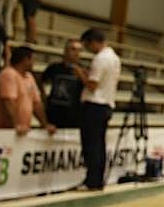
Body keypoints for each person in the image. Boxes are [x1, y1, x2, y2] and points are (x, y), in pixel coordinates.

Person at [78, 28, 120, 191]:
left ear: (93, 42)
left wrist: (80, 73)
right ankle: (96, 180)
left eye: (88, 45)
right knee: (99, 145)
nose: (88, 49)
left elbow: (92, 85)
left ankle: (92, 181)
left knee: (91, 145)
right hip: (106, 104)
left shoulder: (100, 59)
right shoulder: (114, 58)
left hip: (95, 105)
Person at [0, 45, 55, 136]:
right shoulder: (8, 74)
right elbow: (9, 101)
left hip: (23, 129)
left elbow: (37, 104)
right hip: (5, 131)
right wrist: (17, 124)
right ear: (25, 60)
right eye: (32, 59)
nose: (34, 63)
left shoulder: (29, 77)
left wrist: (44, 124)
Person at [41, 39, 85, 129]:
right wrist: (44, 99)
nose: (76, 53)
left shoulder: (84, 71)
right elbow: (41, 83)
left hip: (74, 116)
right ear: (65, 51)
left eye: (79, 50)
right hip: (54, 115)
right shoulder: (54, 68)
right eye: (73, 49)